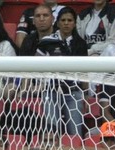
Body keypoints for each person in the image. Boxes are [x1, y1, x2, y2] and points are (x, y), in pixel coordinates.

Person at [37, 6, 89, 138]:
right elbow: (38, 67)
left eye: (70, 20)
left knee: (75, 133)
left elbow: (84, 71)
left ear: (75, 23)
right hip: (50, 91)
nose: (66, 23)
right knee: (51, 131)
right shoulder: (46, 42)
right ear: (58, 22)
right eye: (63, 20)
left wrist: (86, 94)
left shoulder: (80, 44)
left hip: (73, 91)